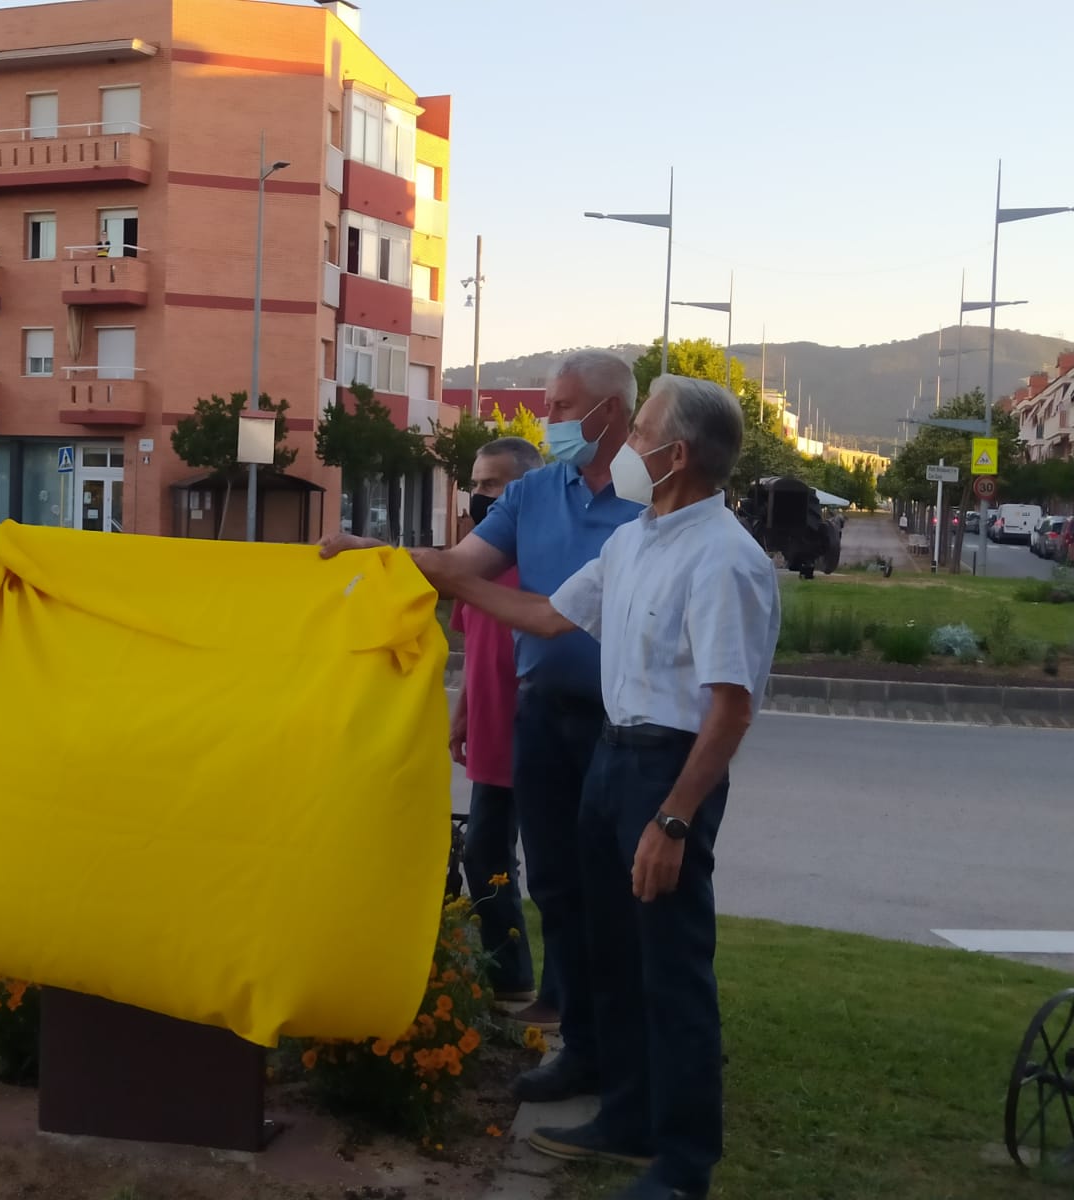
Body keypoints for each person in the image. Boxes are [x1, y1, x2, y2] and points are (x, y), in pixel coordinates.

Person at [419, 376, 781, 1200]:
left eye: (643, 428)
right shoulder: (638, 540)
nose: (629, 443)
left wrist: (675, 819)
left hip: (667, 771)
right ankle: (626, 1114)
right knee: (611, 953)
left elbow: (730, 708)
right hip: (613, 760)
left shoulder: (725, 559)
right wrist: (417, 568)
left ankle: (684, 1163)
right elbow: (547, 615)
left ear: (676, 454)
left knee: (672, 969)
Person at [326, 349, 643, 1103]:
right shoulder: (533, 494)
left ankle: (637, 1054)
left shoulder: (652, 497)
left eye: (562, 408)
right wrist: (378, 557)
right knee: (560, 889)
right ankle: (581, 1045)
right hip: (545, 720)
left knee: (623, 895)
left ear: (612, 412)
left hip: (627, 725)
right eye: (548, 405)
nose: (548, 420)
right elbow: (458, 563)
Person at [448, 437, 557, 1027]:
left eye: (492, 484)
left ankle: (562, 995)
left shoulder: (543, 557)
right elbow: (473, 646)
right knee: (487, 855)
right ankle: (509, 978)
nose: (478, 494)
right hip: (491, 735)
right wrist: (463, 715)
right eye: (476, 483)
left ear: (524, 488)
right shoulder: (476, 558)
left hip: (542, 734)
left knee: (551, 868)